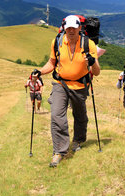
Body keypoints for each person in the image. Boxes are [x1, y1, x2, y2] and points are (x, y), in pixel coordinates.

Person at [32, 15, 100, 167]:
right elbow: (52, 62)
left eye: (74, 28)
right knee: (56, 115)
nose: (71, 31)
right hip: (60, 84)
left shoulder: (88, 44)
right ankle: (59, 151)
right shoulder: (57, 42)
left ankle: (78, 140)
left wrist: (93, 62)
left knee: (80, 115)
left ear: (79, 28)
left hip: (80, 85)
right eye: (68, 28)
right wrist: (40, 72)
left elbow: (96, 72)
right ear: (64, 28)